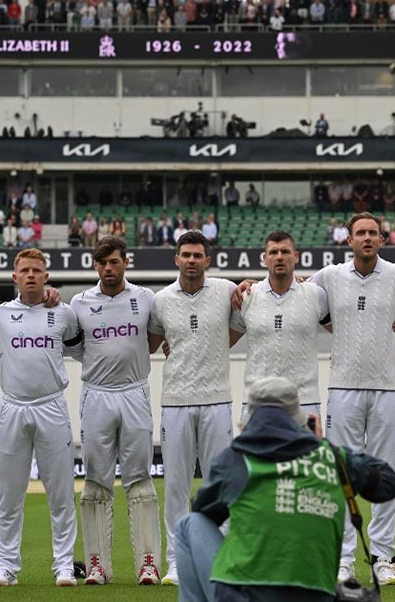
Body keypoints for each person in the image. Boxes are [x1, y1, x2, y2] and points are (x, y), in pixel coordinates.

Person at [174, 377, 395, 602]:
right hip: (316, 597)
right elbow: (388, 484)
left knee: (189, 524)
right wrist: (320, 445)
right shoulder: (332, 458)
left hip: (245, 595)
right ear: (299, 418)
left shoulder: (236, 459)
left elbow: (202, 510)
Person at [306, 213, 395, 585]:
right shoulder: (329, 276)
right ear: (349, 239)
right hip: (343, 388)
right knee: (342, 474)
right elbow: (301, 298)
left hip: (388, 388)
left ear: (381, 239)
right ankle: (344, 560)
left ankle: (382, 558)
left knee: (386, 473)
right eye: (360, 233)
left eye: (373, 233)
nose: (367, 238)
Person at [0, 248, 81, 587]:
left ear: (46, 277)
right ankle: (6, 567)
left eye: (37, 270)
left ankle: (64, 565)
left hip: (51, 406)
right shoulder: (0, 315)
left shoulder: (64, 313)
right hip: (13, 407)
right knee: (9, 495)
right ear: (15, 277)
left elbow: (84, 349)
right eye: (25, 270)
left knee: (61, 494)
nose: (31, 275)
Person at [147, 231, 240, 586]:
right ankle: (177, 562)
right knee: (176, 486)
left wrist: (213, 344)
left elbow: (238, 328)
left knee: (221, 484)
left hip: (217, 400)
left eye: (197, 255)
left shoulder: (226, 291)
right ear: (176, 259)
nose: (191, 260)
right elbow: (154, 343)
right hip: (175, 402)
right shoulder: (161, 300)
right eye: (185, 255)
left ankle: (223, 559)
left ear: (207, 260)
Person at [68, 237, 162, 586]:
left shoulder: (145, 298)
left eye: (114, 262)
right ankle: (98, 566)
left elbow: (153, 341)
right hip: (96, 394)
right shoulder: (79, 302)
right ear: (96, 265)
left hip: (135, 391)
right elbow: (76, 347)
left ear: (126, 262)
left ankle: (148, 565)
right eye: (102, 263)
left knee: (140, 481)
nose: (108, 268)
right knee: (95, 482)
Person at [231, 231, 329, 418]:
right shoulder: (248, 297)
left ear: (296, 256)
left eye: (285, 251)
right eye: (273, 252)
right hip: (257, 402)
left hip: (305, 402)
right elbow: (223, 342)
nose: (279, 257)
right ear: (264, 258)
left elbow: (341, 332)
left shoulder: (315, 295)